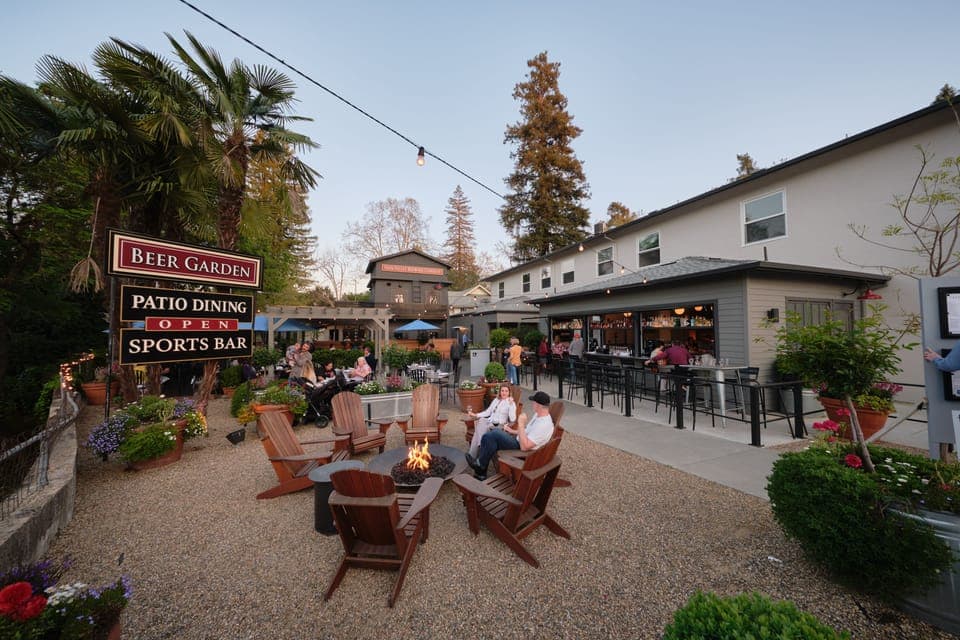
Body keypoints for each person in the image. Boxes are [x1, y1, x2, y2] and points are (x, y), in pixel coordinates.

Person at [465, 391, 555, 481]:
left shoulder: (543, 425)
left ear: (538, 405)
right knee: (489, 437)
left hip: (522, 449)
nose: (532, 404)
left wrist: (521, 423)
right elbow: (527, 431)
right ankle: (481, 471)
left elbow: (525, 447)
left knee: (493, 435)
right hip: (518, 440)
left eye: (534, 402)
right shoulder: (538, 415)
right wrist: (512, 430)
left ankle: (480, 468)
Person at [465, 384, 518, 457]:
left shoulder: (511, 403)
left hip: (498, 425)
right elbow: (488, 412)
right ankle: (481, 444)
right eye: (502, 391)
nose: (504, 393)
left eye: (506, 391)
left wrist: (511, 404)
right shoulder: (496, 400)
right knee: (481, 420)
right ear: (500, 392)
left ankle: (472, 455)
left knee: (477, 432)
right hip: (489, 421)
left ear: (509, 392)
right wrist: (476, 415)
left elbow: (513, 419)